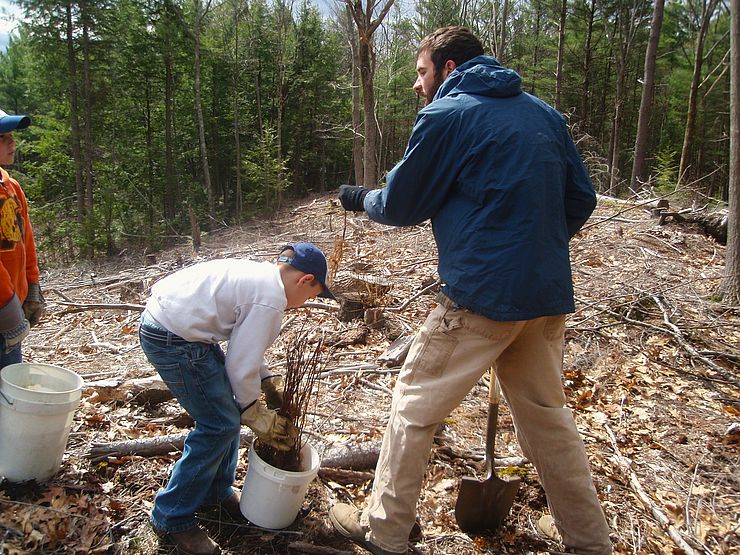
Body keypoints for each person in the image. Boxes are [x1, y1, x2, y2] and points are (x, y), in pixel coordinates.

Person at [331, 26, 612, 555]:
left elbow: (401, 205)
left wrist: (359, 198)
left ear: (449, 68)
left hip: (481, 300)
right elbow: (582, 198)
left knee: (414, 407)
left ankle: (385, 534)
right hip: (545, 296)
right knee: (549, 422)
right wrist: (532, 246)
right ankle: (590, 542)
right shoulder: (543, 115)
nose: (418, 85)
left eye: (421, 71)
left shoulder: (448, 115)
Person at [139, 242, 335, 555]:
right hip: (173, 338)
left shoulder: (262, 279)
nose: (302, 304)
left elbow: (245, 343)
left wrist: (267, 379)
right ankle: (171, 515)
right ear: (305, 280)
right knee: (219, 424)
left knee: (225, 417)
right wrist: (252, 410)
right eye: (310, 297)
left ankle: (214, 492)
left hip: (178, 327)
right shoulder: (270, 299)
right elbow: (240, 365)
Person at [0, 108, 44, 368]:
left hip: (11, 306)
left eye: (11, 136)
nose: (11, 143)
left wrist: (33, 287)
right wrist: (8, 308)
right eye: (3, 137)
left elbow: (25, 241)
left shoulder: (11, 186)